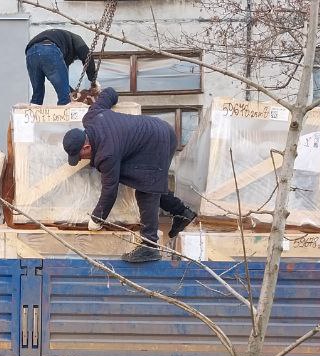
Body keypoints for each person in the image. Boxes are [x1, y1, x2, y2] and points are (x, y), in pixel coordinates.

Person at [62, 87, 198, 263]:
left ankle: (149, 246)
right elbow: (110, 93)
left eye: (80, 156)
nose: (82, 160)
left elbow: (109, 192)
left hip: (158, 139)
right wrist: (100, 90)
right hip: (157, 130)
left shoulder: (106, 153)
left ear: (86, 147)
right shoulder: (92, 115)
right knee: (147, 182)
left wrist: (96, 219)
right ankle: (182, 213)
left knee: (146, 190)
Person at [25, 29, 98, 106]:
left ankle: (32, 111)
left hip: (30, 52)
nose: (73, 61)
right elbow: (87, 56)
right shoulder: (76, 39)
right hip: (49, 48)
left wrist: (73, 92)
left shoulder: (62, 47)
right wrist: (93, 80)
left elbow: (62, 83)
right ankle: (64, 111)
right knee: (64, 98)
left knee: (37, 94)